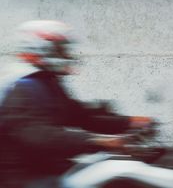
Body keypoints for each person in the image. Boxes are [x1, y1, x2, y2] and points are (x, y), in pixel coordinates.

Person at [0, 20, 153, 188]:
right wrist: (96, 141)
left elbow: (80, 115)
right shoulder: (19, 85)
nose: (66, 55)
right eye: (60, 49)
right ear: (38, 49)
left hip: (48, 166)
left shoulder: (45, 81)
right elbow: (38, 134)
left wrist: (130, 122)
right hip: (22, 176)